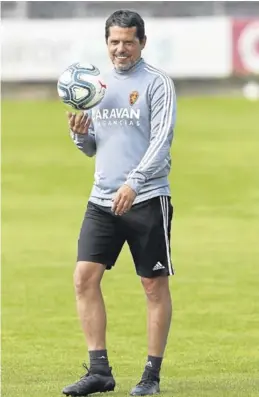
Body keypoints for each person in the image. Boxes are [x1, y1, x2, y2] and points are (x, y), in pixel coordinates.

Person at [62, 9, 176, 397]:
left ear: (142, 42)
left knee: (152, 285)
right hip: (102, 200)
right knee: (83, 278)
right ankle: (99, 372)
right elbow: (94, 147)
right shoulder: (97, 85)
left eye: (128, 41)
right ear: (106, 43)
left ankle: (151, 376)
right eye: (114, 42)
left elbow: (161, 142)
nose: (121, 49)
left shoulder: (157, 84)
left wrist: (134, 182)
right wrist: (79, 135)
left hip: (145, 198)